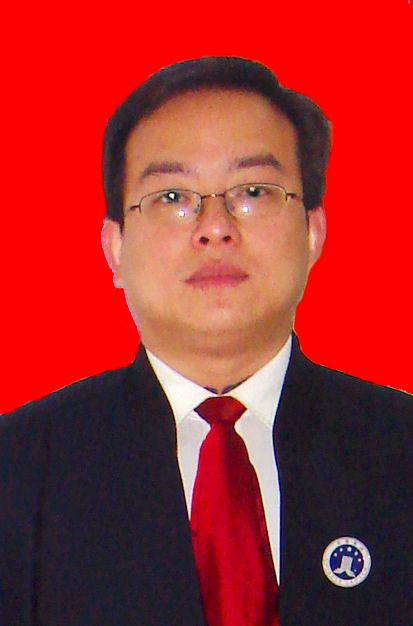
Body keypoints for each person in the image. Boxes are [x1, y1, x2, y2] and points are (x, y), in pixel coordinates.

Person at [1, 57, 412, 626]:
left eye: (253, 191)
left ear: (313, 232)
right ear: (115, 248)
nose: (215, 227)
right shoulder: (18, 471)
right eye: (172, 197)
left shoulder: (399, 450)